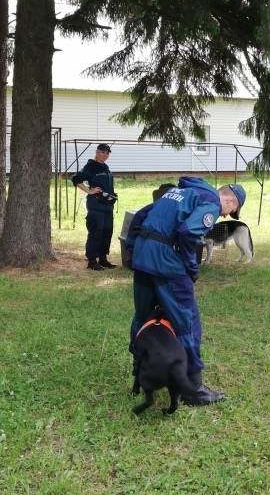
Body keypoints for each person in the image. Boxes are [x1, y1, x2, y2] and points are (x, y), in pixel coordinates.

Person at [125, 177, 246, 406]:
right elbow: (188, 232)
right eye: (231, 211)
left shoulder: (179, 192)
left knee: (143, 317)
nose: (225, 216)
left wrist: (131, 249)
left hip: (143, 256)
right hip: (166, 262)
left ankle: (139, 369)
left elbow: (140, 215)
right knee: (187, 322)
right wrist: (192, 268)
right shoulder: (210, 201)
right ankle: (193, 390)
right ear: (230, 199)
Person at [72, 143, 118, 271]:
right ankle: (92, 261)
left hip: (108, 206)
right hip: (96, 205)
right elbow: (76, 179)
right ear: (97, 152)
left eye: (107, 153)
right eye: (102, 152)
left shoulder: (105, 167)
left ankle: (103, 259)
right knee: (96, 231)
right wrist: (89, 191)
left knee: (107, 231)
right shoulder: (91, 166)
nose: (105, 155)